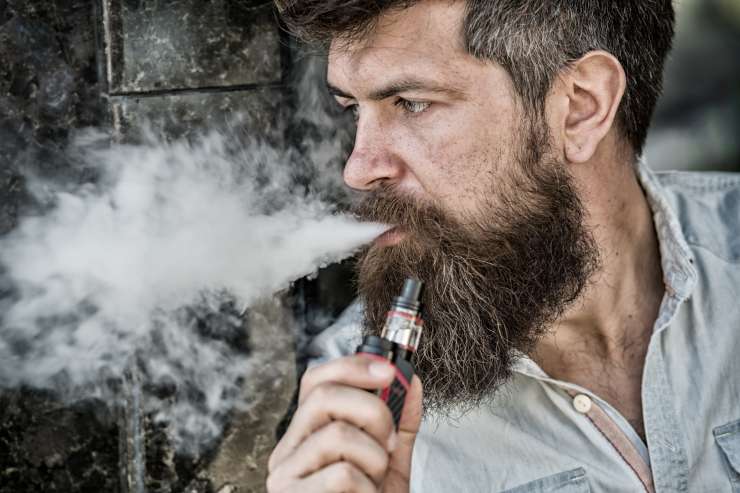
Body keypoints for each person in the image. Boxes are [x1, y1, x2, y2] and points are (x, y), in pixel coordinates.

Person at [267, 1, 740, 491]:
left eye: (412, 103)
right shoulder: (353, 418)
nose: (359, 169)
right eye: (352, 109)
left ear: (581, 106)